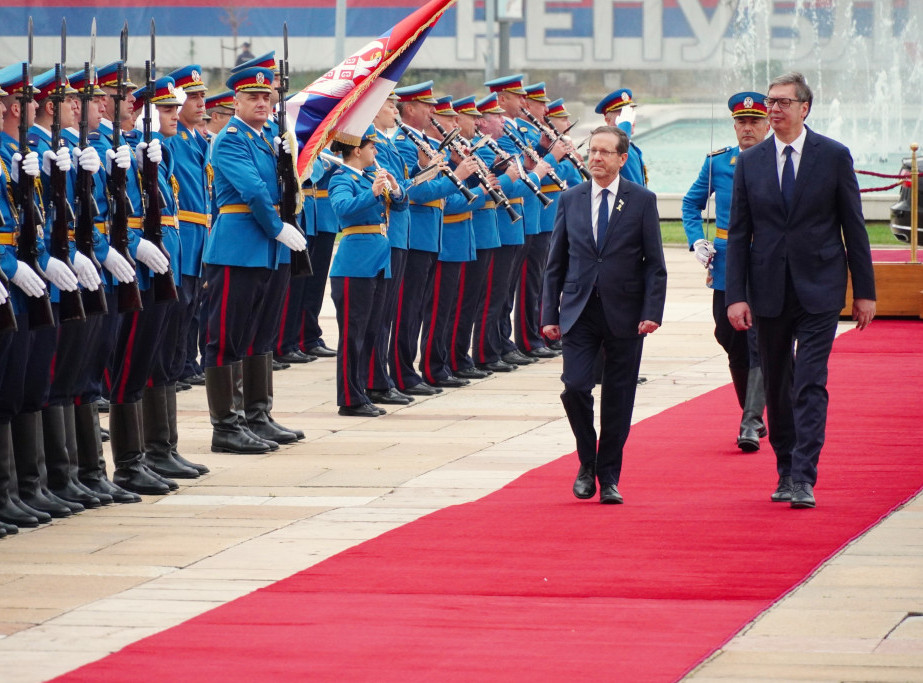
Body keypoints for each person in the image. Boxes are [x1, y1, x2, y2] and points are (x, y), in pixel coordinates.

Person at [725, 71, 876, 509]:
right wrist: (737, 295)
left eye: (783, 102)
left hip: (820, 288)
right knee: (776, 384)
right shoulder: (750, 162)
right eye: (771, 101)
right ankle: (785, 468)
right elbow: (739, 233)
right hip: (768, 290)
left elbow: (854, 227)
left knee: (810, 381)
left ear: (804, 108)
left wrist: (864, 291)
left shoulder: (832, 156)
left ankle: (805, 476)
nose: (773, 109)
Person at [542, 125, 666, 505]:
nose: (596, 158)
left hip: (626, 315)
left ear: (621, 159)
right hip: (579, 313)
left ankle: (609, 477)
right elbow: (555, 263)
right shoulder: (571, 199)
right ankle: (587, 461)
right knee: (576, 386)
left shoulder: (641, 200)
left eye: (605, 152)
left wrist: (651, 311)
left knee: (618, 397)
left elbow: (654, 264)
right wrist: (549, 314)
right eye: (593, 151)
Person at [202, 66, 308, 454]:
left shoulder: (267, 140)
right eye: (253, 97)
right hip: (240, 248)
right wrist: (277, 227)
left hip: (269, 250)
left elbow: (283, 188)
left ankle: (257, 415)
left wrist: (287, 161)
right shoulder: (231, 139)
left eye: (268, 97)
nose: (262, 102)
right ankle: (226, 426)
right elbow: (254, 191)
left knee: (261, 335)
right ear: (236, 101)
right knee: (227, 337)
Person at [682, 91, 770, 452]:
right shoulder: (719, 162)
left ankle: (750, 422)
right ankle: (752, 410)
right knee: (727, 334)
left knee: (758, 341)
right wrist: (695, 241)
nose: (747, 128)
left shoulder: (775, 160)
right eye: (741, 122)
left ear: (767, 124)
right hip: (727, 261)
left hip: (765, 260)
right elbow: (691, 202)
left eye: (754, 121)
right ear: (734, 125)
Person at [328, 126, 406, 416]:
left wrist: (394, 188)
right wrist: (372, 193)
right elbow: (342, 208)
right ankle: (349, 398)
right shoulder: (342, 178)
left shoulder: (369, 177)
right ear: (357, 150)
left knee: (372, 331)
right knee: (353, 334)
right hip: (355, 264)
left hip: (378, 261)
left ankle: (362, 391)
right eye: (372, 147)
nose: (376, 152)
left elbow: (400, 204)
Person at [596, 88, 647, 187]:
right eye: (623, 114)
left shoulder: (630, 145)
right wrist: (624, 127)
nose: (629, 120)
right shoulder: (606, 146)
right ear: (607, 120)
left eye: (629, 113)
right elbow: (616, 147)